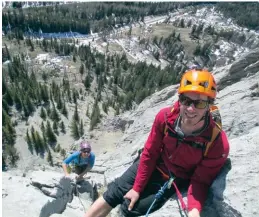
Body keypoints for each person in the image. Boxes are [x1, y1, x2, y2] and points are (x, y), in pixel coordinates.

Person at [84, 68, 230, 217]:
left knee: (131, 208)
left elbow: (201, 180)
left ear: (209, 105)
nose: (190, 109)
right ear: (179, 99)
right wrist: (136, 188)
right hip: (155, 163)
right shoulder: (165, 117)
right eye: (185, 101)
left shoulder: (216, 142)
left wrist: (193, 210)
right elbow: (150, 152)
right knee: (114, 193)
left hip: (175, 178)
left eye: (199, 103)